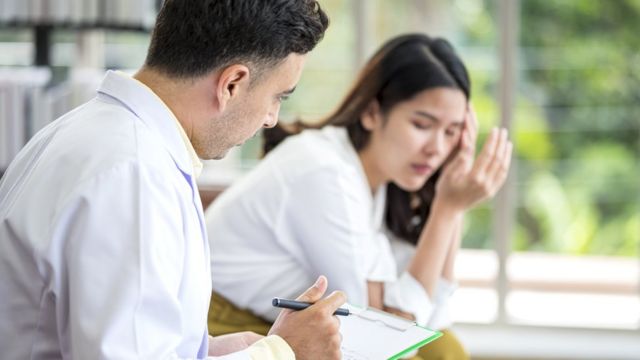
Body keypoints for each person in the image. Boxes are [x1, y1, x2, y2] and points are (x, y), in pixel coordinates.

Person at [0, 1, 347, 359]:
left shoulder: (89, 134)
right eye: (277, 96)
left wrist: (204, 350)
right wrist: (281, 352)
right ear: (232, 84)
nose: (272, 118)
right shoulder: (133, 175)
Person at [205, 33, 513, 359]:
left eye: (451, 133)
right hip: (226, 328)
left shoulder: (377, 183)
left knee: (444, 347)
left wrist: (452, 204)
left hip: (274, 324)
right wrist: (447, 210)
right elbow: (376, 343)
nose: (436, 149)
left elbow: (432, 318)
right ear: (371, 112)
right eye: (423, 125)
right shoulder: (325, 173)